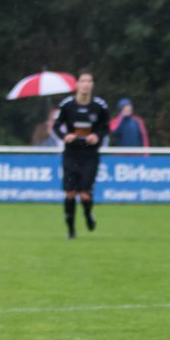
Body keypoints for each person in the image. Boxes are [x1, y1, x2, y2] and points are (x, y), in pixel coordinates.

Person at [53, 71, 110, 239]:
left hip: (90, 155)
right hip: (71, 154)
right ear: (77, 84)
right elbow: (56, 126)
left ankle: (88, 214)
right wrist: (65, 136)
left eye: (89, 81)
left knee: (85, 194)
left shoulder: (99, 106)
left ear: (92, 85)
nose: (86, 84)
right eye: (83, 81)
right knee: (70, 192)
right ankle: (71, 231)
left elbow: (106, 127)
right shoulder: (67, 105)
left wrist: (97, 136)